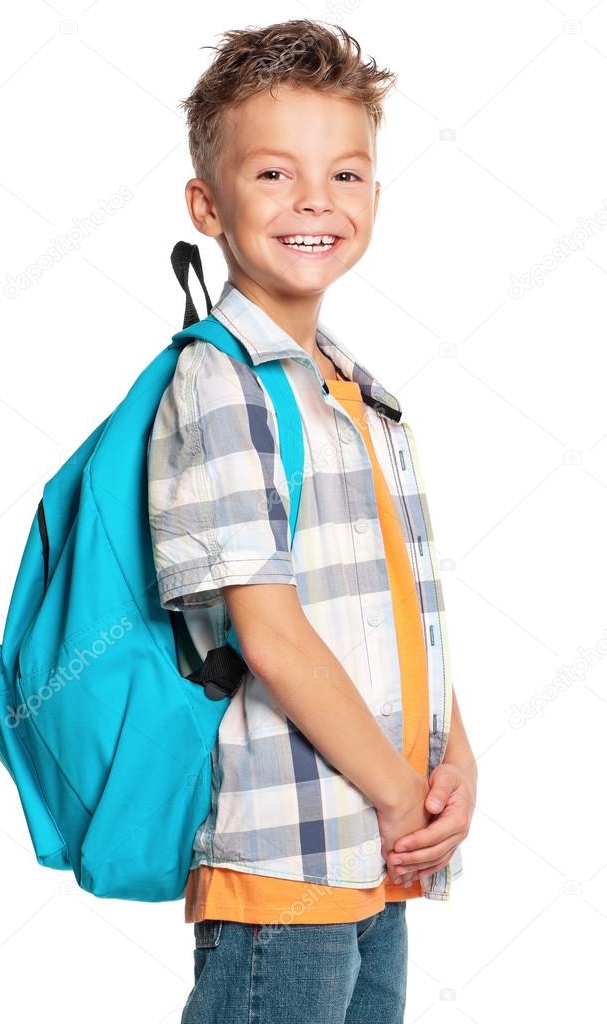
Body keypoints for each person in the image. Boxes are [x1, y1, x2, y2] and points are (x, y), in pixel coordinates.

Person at [147, 18, 477, 1024]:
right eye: (273, 175)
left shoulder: (353, 392)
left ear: (373, 193)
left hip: (370, 853)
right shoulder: (218, 383)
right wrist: (395, 794)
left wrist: (448, 763)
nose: (312, 203)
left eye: (343, 174)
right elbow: (271, 632)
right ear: (207, 202)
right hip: (282, 862)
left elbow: (397, 612)